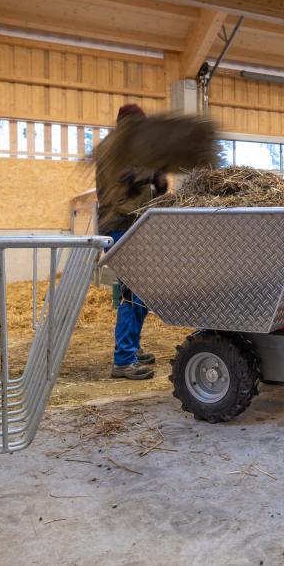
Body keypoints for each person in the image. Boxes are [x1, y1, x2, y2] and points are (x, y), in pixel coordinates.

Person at [95, 104, 168, 380]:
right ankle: (123, 360)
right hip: (121, 225)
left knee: (138, 293)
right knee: (132, 293)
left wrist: (156, 183)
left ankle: (131, 349)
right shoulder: (115, 148)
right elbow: (129, 178)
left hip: (130, 225)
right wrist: (153, 175)